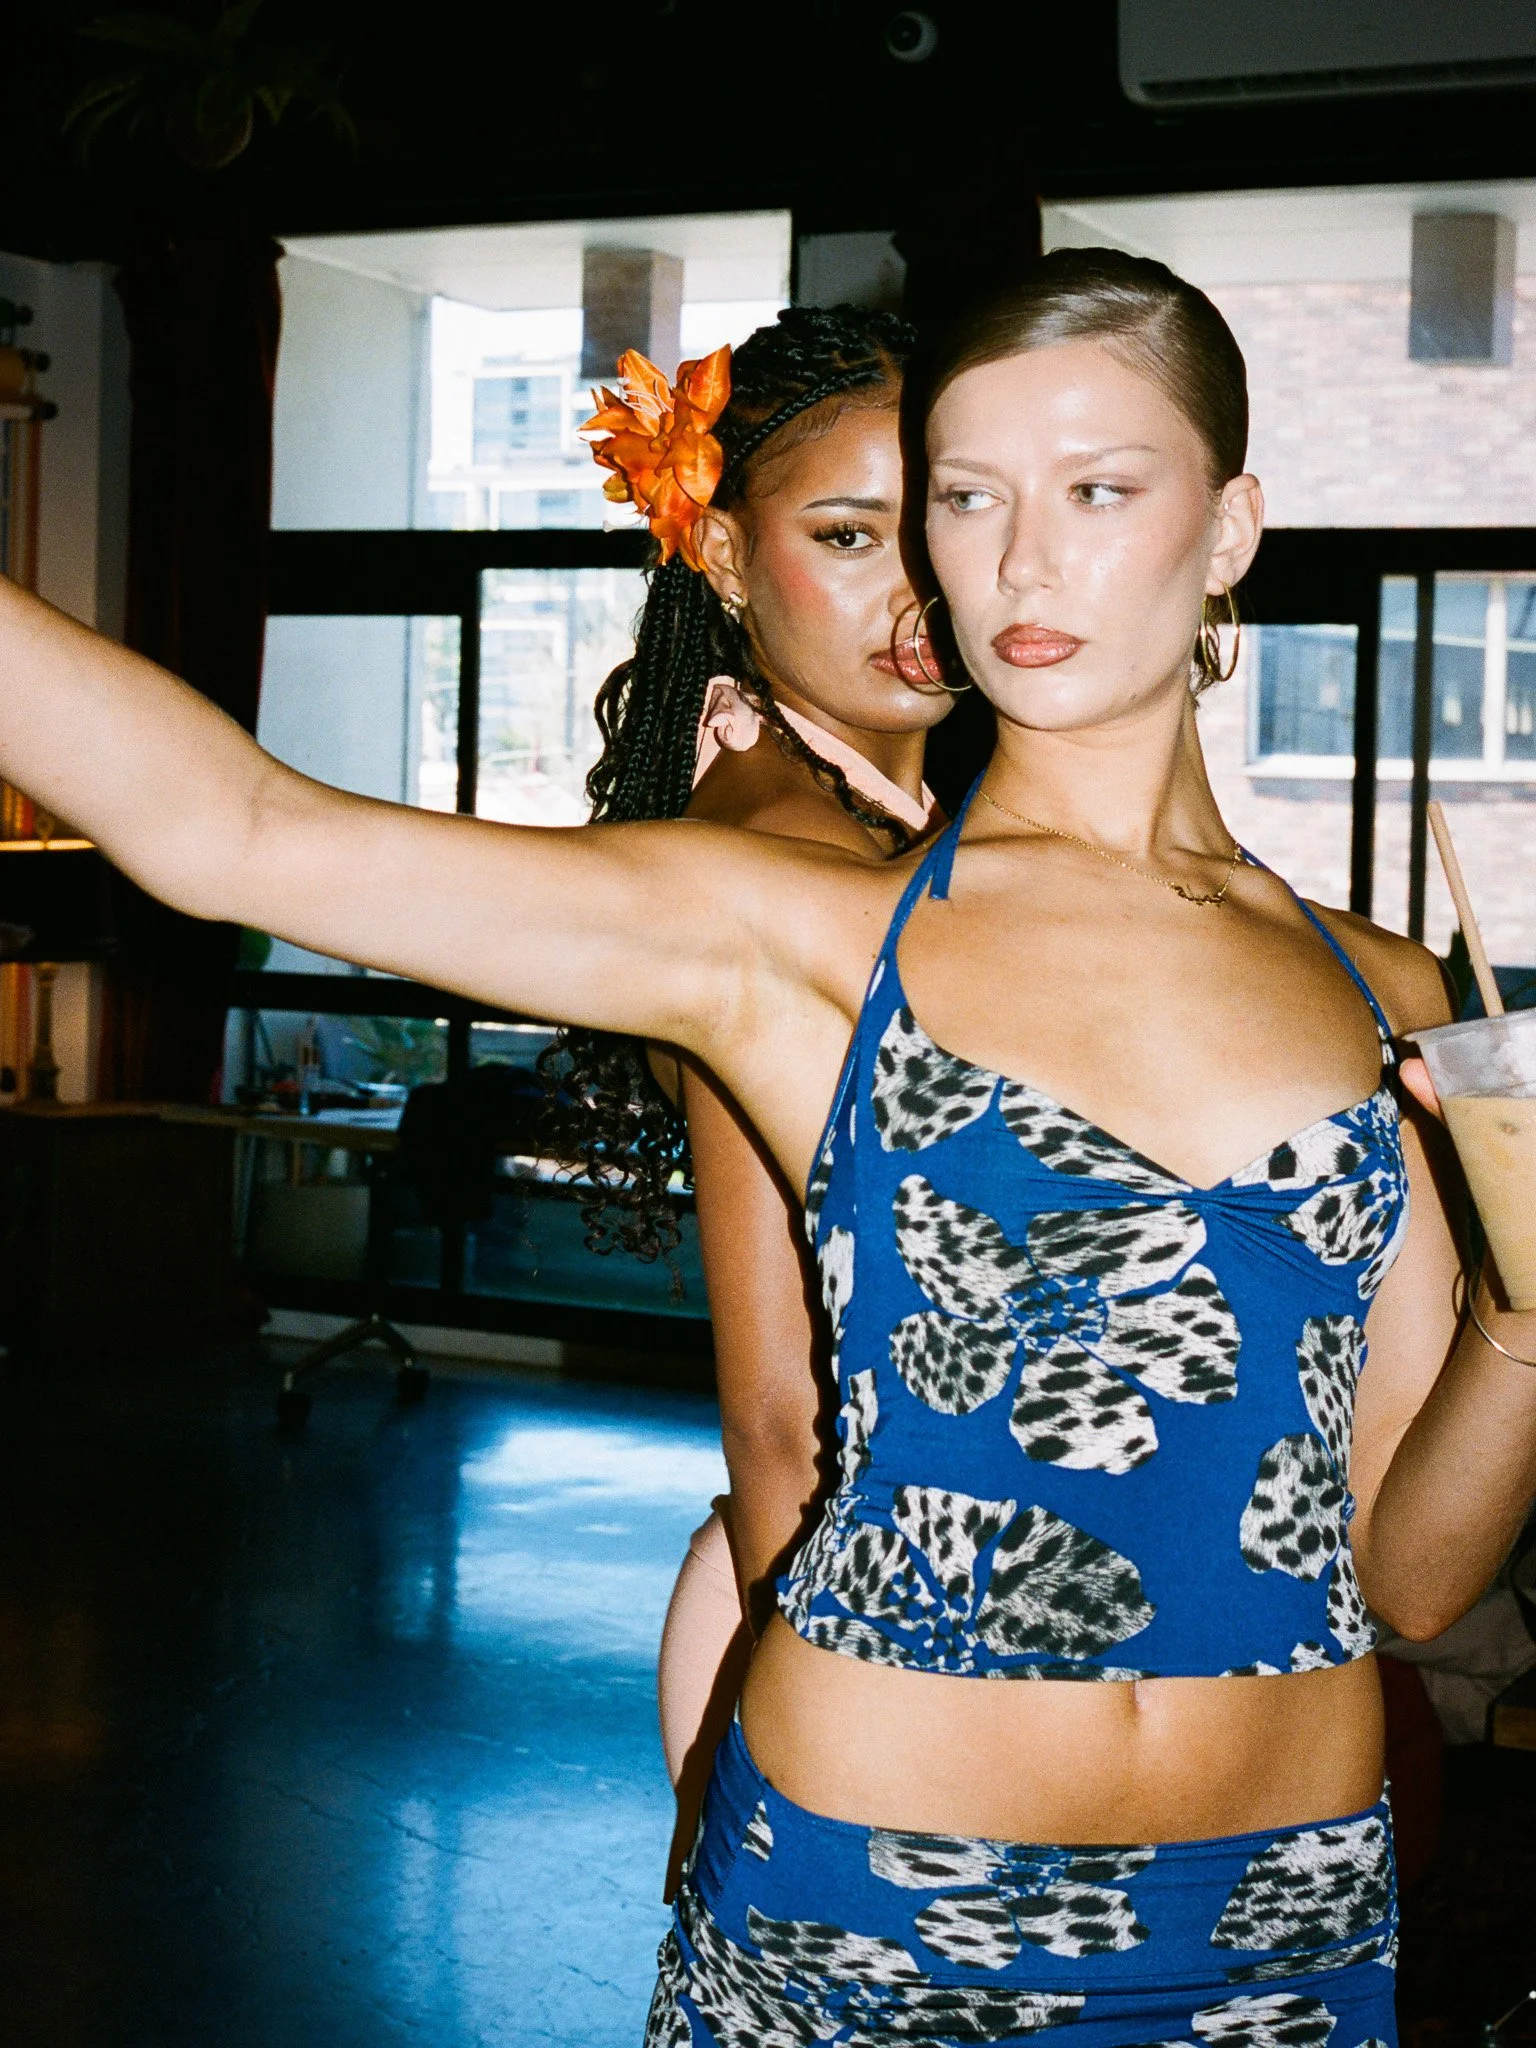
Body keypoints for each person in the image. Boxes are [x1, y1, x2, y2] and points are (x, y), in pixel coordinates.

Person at [3, 248, 1535, 2046]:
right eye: (967, 500)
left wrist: (1528, 1319)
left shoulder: (1399, 992)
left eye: (1099, 491)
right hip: (878, 1898)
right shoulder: (809, 936)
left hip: (1288, 1913)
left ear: (1232, 525)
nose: (1020, 561)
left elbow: (1410, 1575)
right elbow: (237, 828)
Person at [541, 307, 957, 1847]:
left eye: (946, 519)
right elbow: (784, 1407)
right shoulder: (780, 862)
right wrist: (847, 1756)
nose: (918, 592)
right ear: (717, 554)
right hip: (841, 1624)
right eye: (847, 534)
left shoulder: (872, 829)